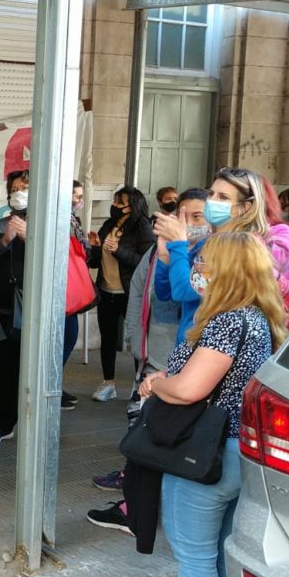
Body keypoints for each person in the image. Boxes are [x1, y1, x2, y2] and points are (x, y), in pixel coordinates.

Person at [138, 232, 286, 577]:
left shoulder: (228, 321)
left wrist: (157, 384)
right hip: (240, 453)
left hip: (206, 453)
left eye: (204, 262)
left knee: (194, 557)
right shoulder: (258, 317)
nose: (197, 269)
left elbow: (191, 390)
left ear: (228, 271)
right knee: (221, 553)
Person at [87, 188, 208, 532]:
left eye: (197, 216)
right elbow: (147, 291)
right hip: (153, 356)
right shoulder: (163, 251)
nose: (186, 223)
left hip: (175, 360)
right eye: (182, 216)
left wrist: (178, 249)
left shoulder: (206, 256)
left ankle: (138, 508)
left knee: (155, 433)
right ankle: (135, 496)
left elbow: (184, 295)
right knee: (141, 428)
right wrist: (134, 339)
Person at [154, 167, 289, 343]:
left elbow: (183, 291)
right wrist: (164, 258)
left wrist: (178, 244)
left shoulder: (242, 248)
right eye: (211, 194)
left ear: (245, 207)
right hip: (195, 345)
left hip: (218, 351)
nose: (212, 201)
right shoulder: (209, 242)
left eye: (223, 197)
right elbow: (165, 294)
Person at [87, 187, 156, 402]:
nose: (115, 206)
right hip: (106, 291)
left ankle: (140, 385)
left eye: (120, 203)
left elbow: (145, 264)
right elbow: (96, 261)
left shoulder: (142, 227)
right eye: (115, 201)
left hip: (130, 293)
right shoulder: (109, 225)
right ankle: (109, 383)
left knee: (136, 339)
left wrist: (118, 250)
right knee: (107, 338)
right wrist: (95, 248)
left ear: (132, 206)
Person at [0, 170, 29, 445]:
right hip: (2, 312)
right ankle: (3, 422)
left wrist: (29, 237)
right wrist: (6, 240)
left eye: (25, 187)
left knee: (35, 373)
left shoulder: (48, 223)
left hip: (34, 314)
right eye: (15, 188)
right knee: (5, 370)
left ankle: (35, 423)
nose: (19, 192)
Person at [62, 180, 91, 410]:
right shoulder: (62, 219)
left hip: (69, 291)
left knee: (69, 337)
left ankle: (55, 383)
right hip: (61, 290)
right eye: (74, 196)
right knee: (66, 336)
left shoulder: (74, 221)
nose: (77, 201)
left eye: (80, 196)